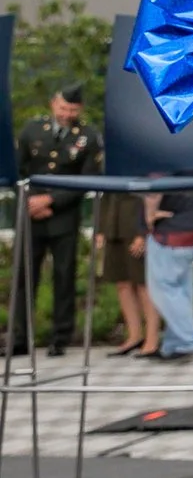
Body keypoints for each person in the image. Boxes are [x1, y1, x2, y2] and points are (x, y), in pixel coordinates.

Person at [11, 85, 100, 356]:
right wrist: (29, 202)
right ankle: (20, 337)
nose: (66, 114)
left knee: (64, 277)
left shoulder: (88, 137)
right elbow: (17, 170)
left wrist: (50, 201)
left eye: (72, 110)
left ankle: (60, 337)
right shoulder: (32, 130)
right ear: (53, 104)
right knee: (24, 278)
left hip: (64, 217)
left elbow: (87, 179)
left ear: (79, 109)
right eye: (63, 108)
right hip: (30, 215)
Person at [142, 182, 193, 357]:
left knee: (163, 289)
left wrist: (149, 216)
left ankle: (189, 340)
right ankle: (175, 344)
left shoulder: (166, 164)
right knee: (182, 290)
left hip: (169, 234)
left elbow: (154, 188)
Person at [101, 186, 156, 355]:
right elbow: (105, 193)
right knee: (122, 282)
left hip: (135, 224)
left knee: (143, 283)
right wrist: (101, 228)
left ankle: (152, 339)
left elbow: (149, 193)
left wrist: (143, 232)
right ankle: (134, 336)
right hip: (113, 224)